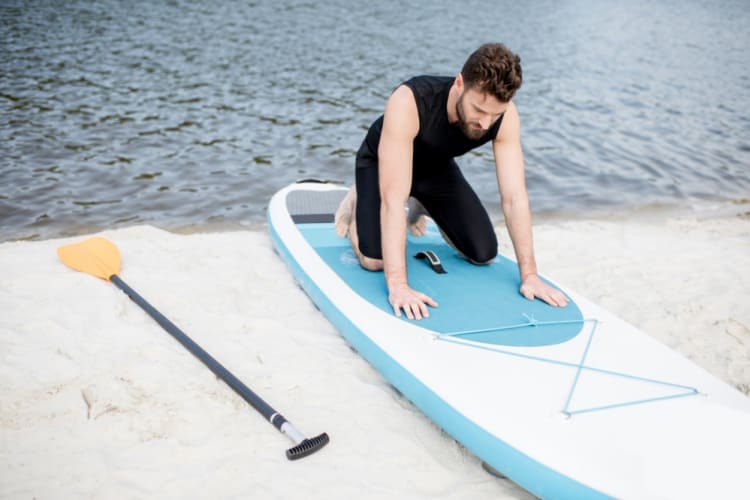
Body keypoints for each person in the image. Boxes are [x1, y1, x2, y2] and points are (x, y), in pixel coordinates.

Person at [334, 43, 569, 320]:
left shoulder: (504, 116)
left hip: (435, 168)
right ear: (459, 83)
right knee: (375, 261)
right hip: (381, 165)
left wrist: (530, 275)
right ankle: (360, 195)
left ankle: (421, 200)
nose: (486, 123)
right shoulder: (409, 100)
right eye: (479, 110)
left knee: (483, 253)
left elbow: (515, 198)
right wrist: (399, 286)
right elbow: (394, 202)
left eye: (495, 115)